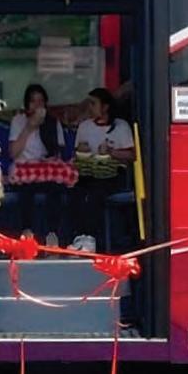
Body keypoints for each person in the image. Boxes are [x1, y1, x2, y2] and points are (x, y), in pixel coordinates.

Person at [70, 88, 136, 252]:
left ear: (105, 107)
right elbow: (77, 154)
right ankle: (80, 236)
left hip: (114, 174)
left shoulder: (121, 126)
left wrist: (111, 152)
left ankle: (92, 239)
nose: (90, 108)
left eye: (93, 104)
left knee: (95, 193)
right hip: (89, 172)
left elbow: (132, 155)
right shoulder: (84, 127)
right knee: (76, 192)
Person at [5, 83, 66, 244]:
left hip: (45, 170)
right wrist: (30, 127)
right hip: (23, 170)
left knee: (55, 188)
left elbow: (58, 153)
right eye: (33, 101)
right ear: (27, 104)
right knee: (26, 190)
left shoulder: (53, 122)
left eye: (40, 101)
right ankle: (27, 232)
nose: (37, 105)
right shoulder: (18, 121)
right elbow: (13, 153)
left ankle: (52, 234)